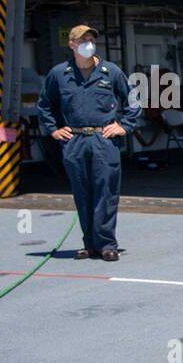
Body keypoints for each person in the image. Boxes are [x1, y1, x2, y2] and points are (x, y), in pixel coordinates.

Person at [35, 24, 142, 261]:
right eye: (83, 40)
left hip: (103, 139)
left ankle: (106, 244)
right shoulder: (59, 74)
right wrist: (53, 130)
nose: (89, 43)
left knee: (106, 191)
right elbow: (44, 105)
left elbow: (133, 101)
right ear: (72, 44)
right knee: (82, 192)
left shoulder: (110, 72)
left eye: (91, 39)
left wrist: (123, 126)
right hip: (74, 140)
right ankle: (90, 244)